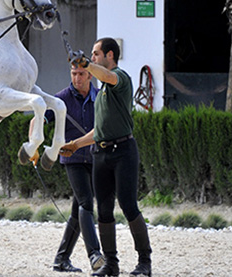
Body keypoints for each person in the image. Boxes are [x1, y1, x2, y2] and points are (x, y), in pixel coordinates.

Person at [60, 38, 152, 277]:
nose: (93, 56)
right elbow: (99, 130)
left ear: (109, 55)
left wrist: (86, 64)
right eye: (91, 54)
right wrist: (75, 144)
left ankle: (144, 263)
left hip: (123, 152)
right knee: (104, 211)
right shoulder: (101, 93)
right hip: (100, 153)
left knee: (129, 206)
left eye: (95, 53)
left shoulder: (120, 78)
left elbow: (106, 76)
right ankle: (111, 264)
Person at [31, 64, 104, 273]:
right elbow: (39, 119)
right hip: (73, 161)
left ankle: (61, 259)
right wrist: (32, 143)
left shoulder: (100, 97)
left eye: (81, 74)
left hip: (95, 158)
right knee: (86, 203)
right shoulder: (61, 98)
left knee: (77, 211)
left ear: (90, 75)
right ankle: (95, 255)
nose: (77, 78)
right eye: (73, 74)